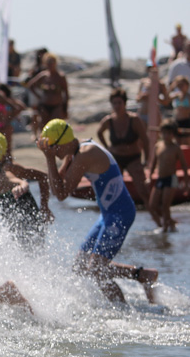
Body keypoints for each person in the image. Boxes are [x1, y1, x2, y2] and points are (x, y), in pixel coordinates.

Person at [37, 119, 158, 303]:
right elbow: (58, 181)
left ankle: (123, 313)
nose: (54, 152)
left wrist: (48, 158)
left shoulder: (85, 154)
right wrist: (50, 158)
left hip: (120, 213)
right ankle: (140, 275)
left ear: (63, 142)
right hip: (107, 215)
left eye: (55, 148)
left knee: (96, 270)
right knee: (80, 266)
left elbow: (60, 194)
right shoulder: (75, 150)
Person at [0, 134, 50, 245]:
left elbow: (23, 181)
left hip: (27, 214)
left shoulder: (4, 172)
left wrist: (44, 206)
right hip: (11, 217)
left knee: (33, 249)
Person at [96, 88, 152, 218]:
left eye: (119, 103)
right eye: (114, 103)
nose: (117, 106)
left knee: (143, 190)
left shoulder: (134, 120)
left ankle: (157, 220)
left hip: (133, 158)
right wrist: (107, 148)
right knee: (114, 192)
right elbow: (99, 132)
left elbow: (146, 140)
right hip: (116, 159)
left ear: (125, 104)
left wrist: (147, 160)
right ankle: (116, 218)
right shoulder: (109, 121)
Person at [149, 119, 189, 231]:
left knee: (165, 205)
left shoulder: (175, 148)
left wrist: (186, 184)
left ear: (173, 134)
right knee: (152, 205)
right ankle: (166, 224)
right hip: (160, 178)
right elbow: (153, 163)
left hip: (171, 178)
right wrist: (149, 177)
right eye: (164, 133)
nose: (166, 136)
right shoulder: (158, 146)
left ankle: (165, 230)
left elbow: (184, 166)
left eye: (169, 133)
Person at [26, 52, 69, 135]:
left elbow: (66, 93)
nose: (50, 65)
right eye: (48, 62)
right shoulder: (44, 75)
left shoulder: (60, 77)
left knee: (56, 127)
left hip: (57, 106)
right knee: (44, 128)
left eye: (52, 62)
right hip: (44, 105)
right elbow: (30, 85)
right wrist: (38, 96)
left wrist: (65, 108)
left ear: (55, 63)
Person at [0, 78, 27, 154]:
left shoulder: (0, 95)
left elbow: (15, 107)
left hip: (1, 125)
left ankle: (9, 165)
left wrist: (8, 119)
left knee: (6, 150)